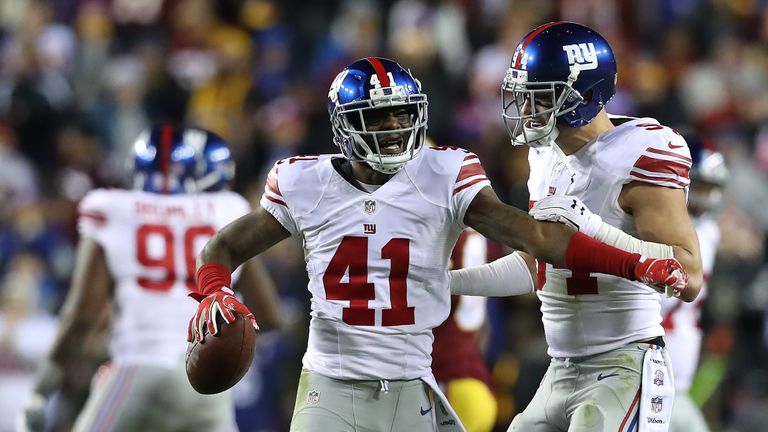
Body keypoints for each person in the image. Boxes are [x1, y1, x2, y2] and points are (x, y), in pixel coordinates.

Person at [187, 57, 687, 432]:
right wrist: (214, 290)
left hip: (414, 387)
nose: (393, 128)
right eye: (377, 118)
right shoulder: (303, 181)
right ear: (344, 125)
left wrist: (637, 263)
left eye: (401, 115)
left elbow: (540, 240)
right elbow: (222, 247)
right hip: (330, 387)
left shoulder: (445, 172)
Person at [503, 22, 704, 431]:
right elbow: (533, 266)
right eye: (523, 96)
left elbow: (689, 275)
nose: (525, 110)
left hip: (624, 363)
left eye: (539, 97)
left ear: (583, 96)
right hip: (560, 368)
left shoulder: (638, 155)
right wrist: (443, 280)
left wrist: (595, 228)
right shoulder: (544, 157)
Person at [17, 125, 281, 432]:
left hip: (138, 366)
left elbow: (81, 316)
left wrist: (40, 391)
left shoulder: (113, 208)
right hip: (205, 383)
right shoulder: (228, 208)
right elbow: (269, 316)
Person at [660, 136, 727, 432]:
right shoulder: (660, 228)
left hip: (679, 379)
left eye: (711, 188)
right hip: (653, 372)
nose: (707, 196)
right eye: (700, 185)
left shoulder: (709, 232)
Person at [432, 229, 511, 432]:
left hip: (447, 384)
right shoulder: (479, 235)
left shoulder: (439, 234)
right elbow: (484, 328)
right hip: (478, 384)